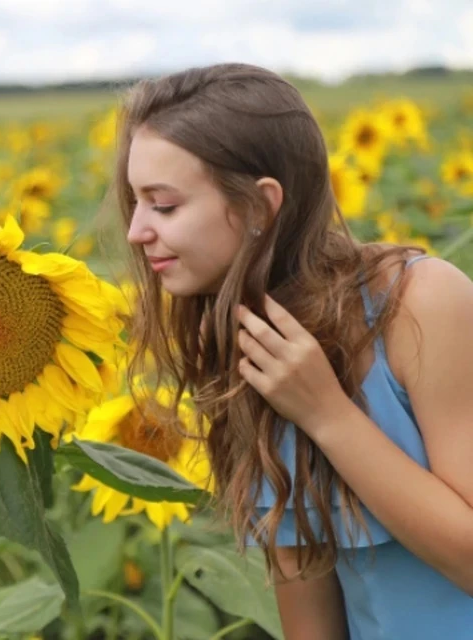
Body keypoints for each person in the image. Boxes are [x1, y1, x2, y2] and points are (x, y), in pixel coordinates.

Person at [115, 63, 473, 639]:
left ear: (260, 207)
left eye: (163, 206)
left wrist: (327, 414)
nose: (136, 231)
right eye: (135, 202)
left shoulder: (420, 303)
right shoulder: (240, 341)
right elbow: (302, 579)